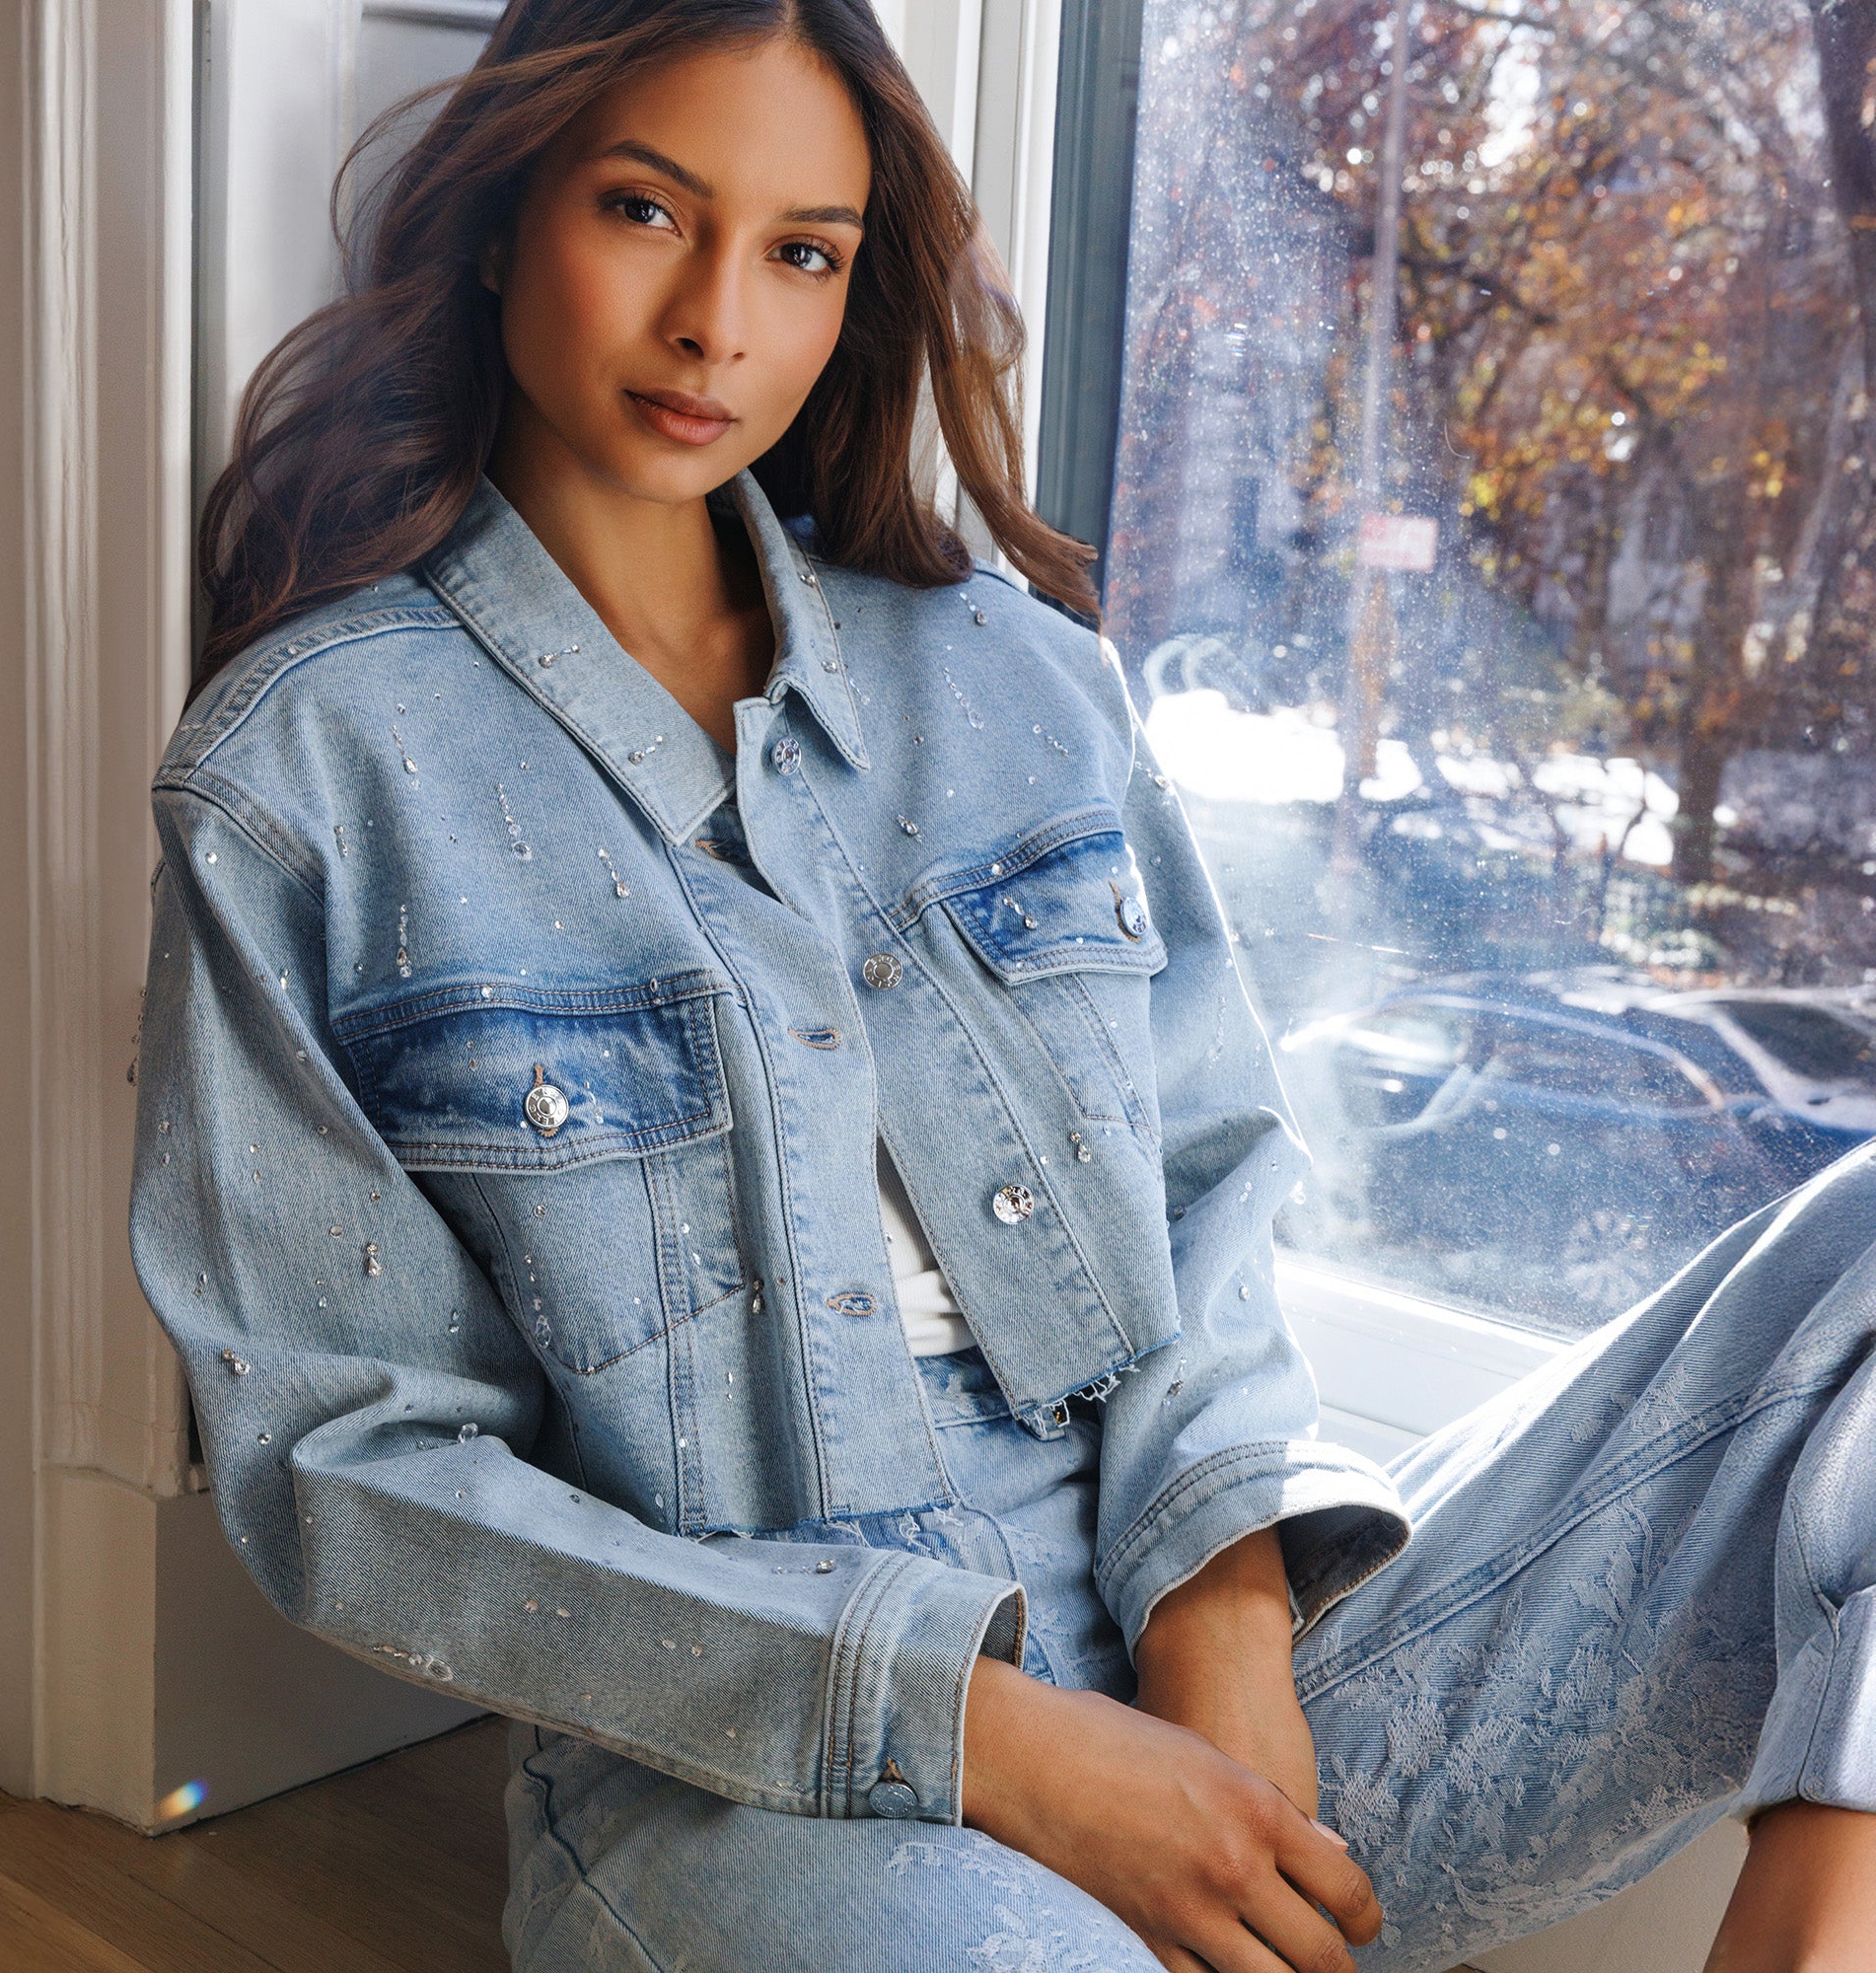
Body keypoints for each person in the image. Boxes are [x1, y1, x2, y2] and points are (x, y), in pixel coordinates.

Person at [129, 2, 1876, 1966]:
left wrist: (1222, 1613)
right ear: (496, 216)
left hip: (1207, 1651)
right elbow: (353, 1468)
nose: (717, 323)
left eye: (802, 251)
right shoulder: (308, 777)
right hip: (756, 1779)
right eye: (644, 211)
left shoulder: (1012, 676)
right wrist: (979, 1732)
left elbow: (1205, 1185)